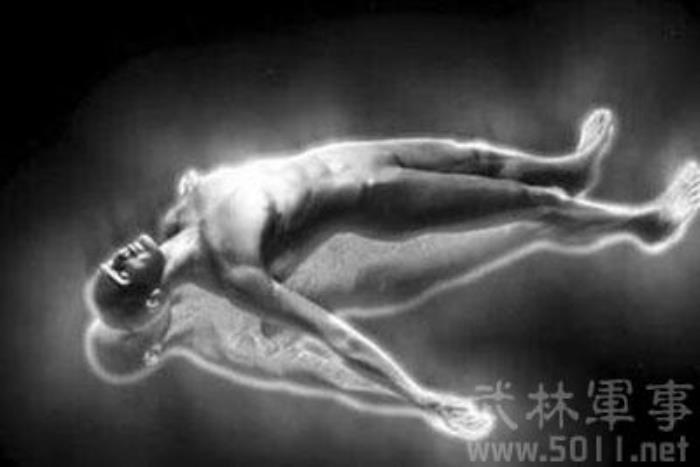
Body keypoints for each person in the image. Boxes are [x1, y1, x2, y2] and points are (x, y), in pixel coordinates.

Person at [85, 108, 700, 440]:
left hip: (355, 157)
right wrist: (419, 398)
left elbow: (207, 193)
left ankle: (573, 166)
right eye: (122, 276)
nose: (119, 259)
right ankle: (647, 222)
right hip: (380, 201)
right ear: (153, 302)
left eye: (111, 263)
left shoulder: (180, 215)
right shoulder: (233, 275)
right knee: (532, 206)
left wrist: (198, 188)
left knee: (477, 157)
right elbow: (334, 340)